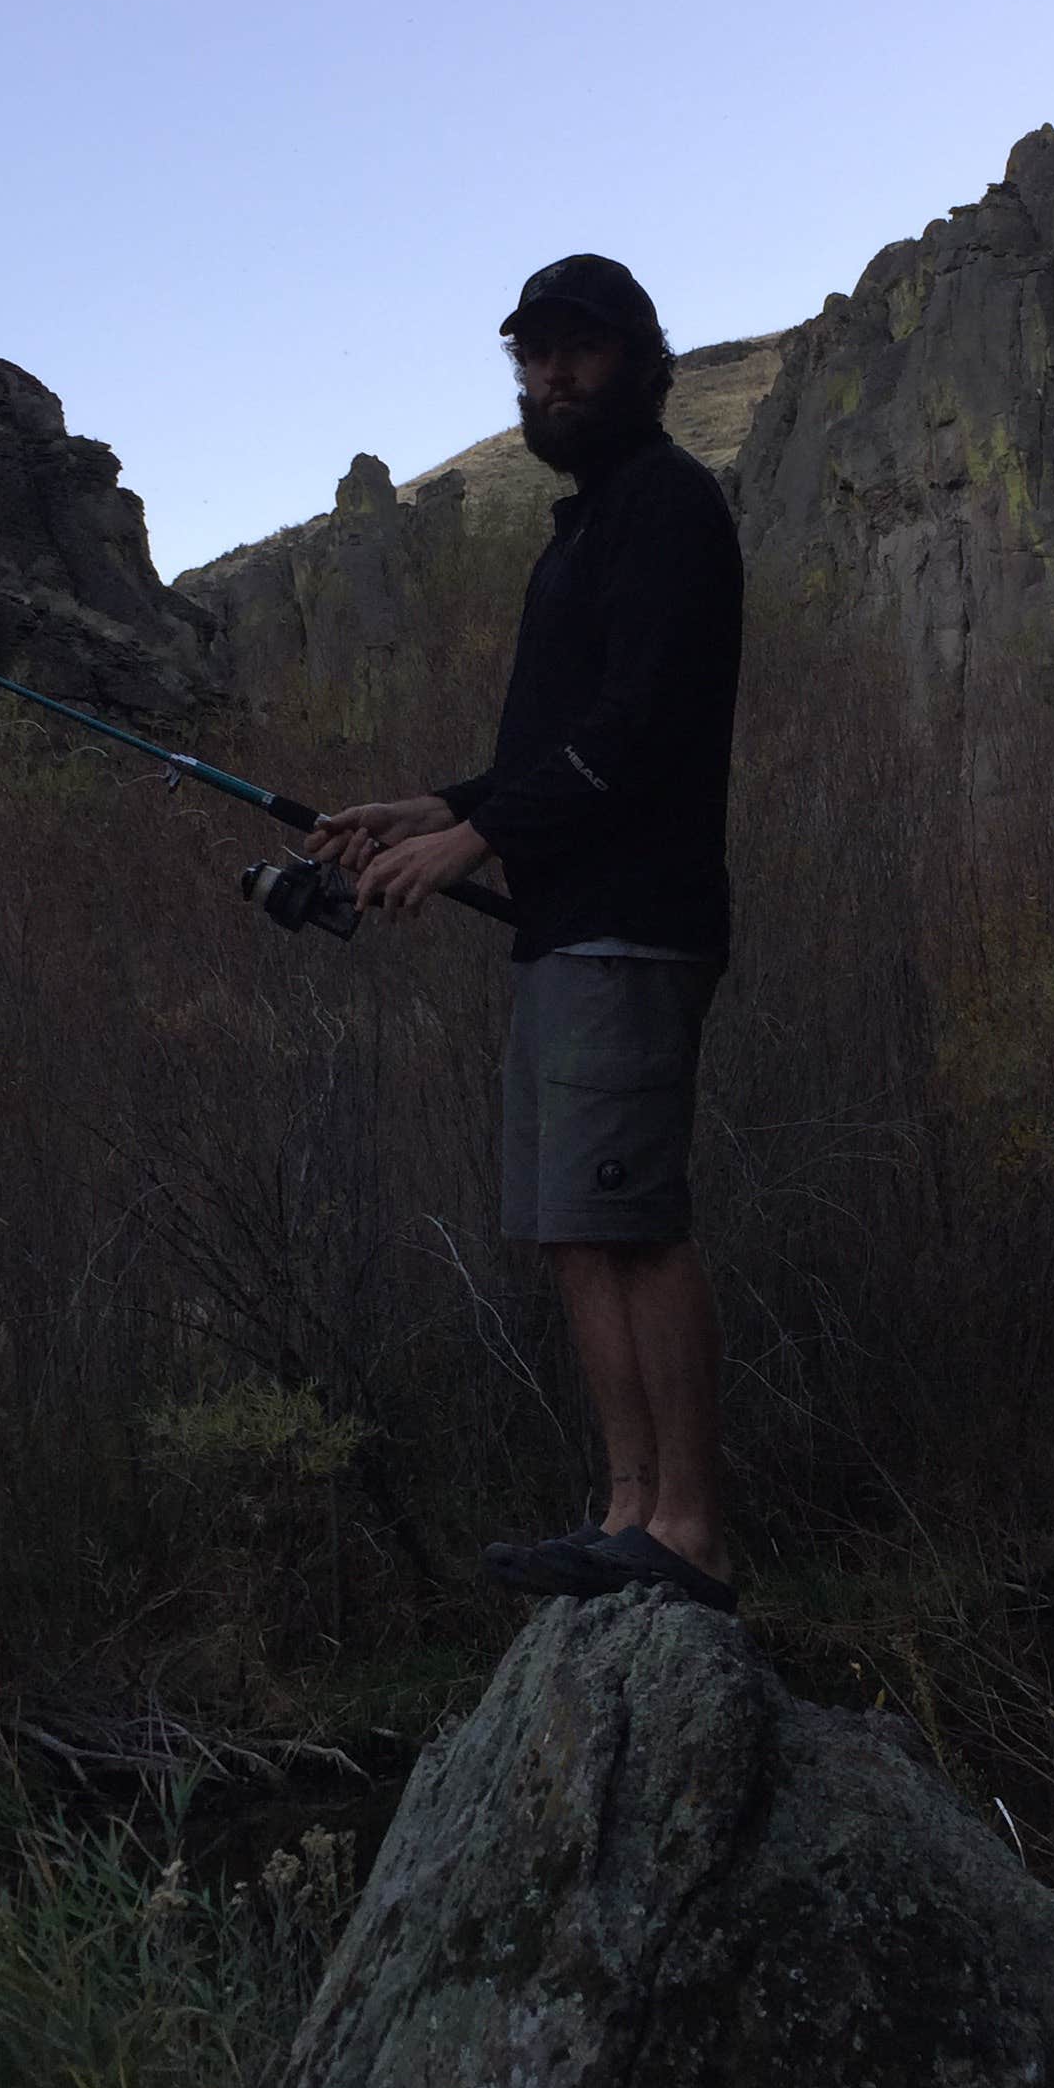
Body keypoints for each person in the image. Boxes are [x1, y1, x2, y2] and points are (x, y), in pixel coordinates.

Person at [308, 257, 745, 1616]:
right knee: (575, 1225)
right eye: (534, 356)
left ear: (638, 362)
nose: (551, 376)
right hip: (567, 928)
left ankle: (686, 1529)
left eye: (579, 352)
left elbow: (634, 731)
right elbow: (552, 749)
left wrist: (472, 843)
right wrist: (433, 805)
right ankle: (625, 1512)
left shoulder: (669, 505)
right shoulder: (581, 531)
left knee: (634, 1221)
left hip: (632, 925)